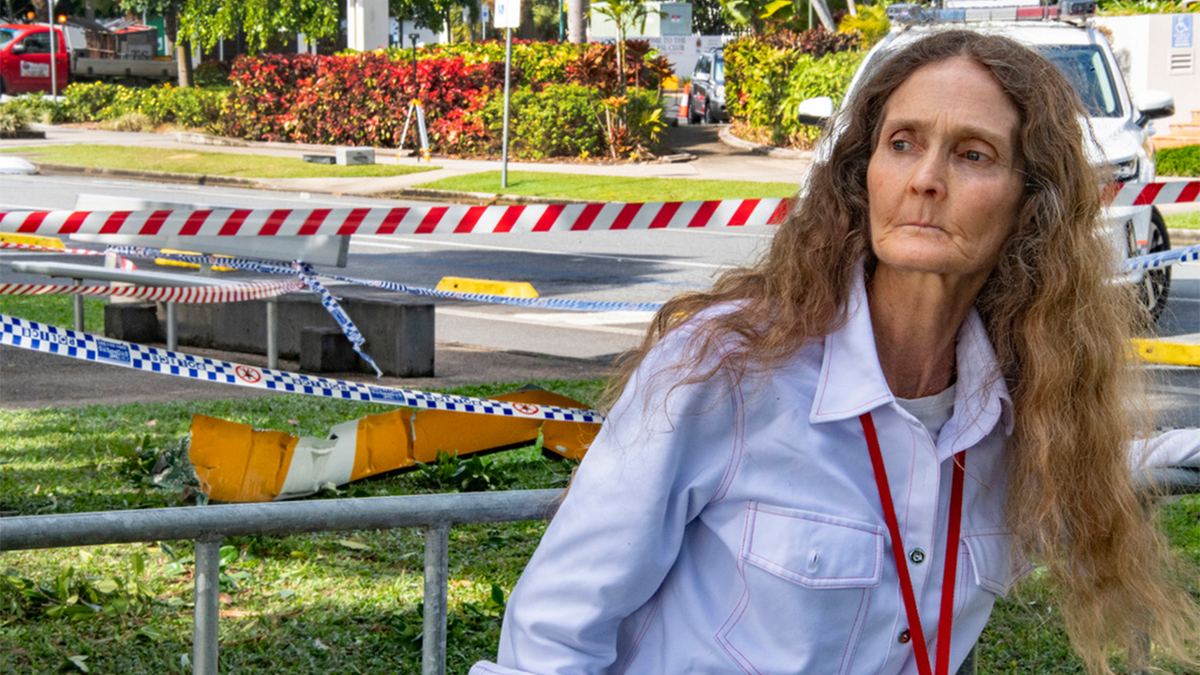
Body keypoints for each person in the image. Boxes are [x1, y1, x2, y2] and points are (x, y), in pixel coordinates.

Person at [471, 30, 1200, 675]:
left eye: (973, 154)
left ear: (1028, 204)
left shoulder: (1025, 412)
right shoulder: (726, 369)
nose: (925, 178)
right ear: (863, 174)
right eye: (903, 143)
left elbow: (1081, 466)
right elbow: (551, 639)